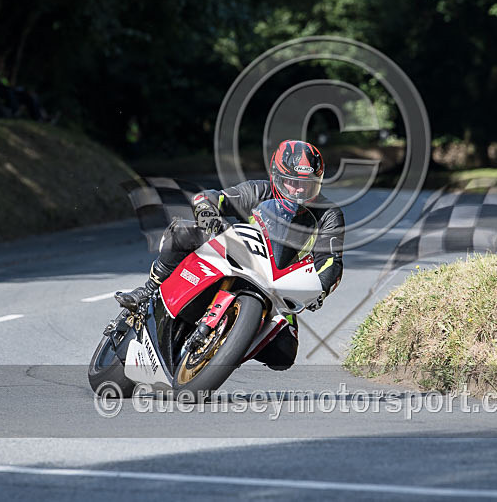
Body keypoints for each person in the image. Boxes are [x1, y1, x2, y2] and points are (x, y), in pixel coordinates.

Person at [116, 140, 345, 370]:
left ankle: (228, 348)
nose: (299, 191)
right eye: (293, 183)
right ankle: (149, 290)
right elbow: (214, 198)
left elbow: (331, 261)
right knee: (183, 232)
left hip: (280, 284)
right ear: (276, 177)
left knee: (284, 354)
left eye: (308, 185)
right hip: (238, 257)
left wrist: (319, 290)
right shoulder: (259, 191)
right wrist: (208, 212)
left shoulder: (329, 215)